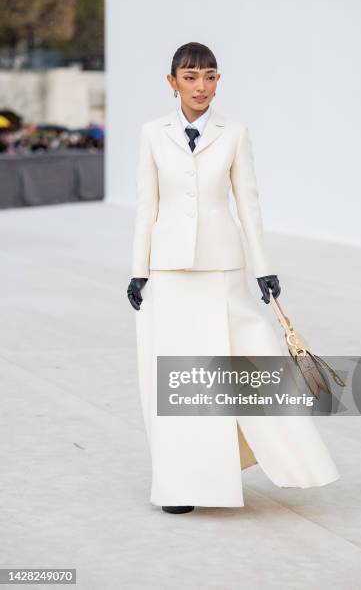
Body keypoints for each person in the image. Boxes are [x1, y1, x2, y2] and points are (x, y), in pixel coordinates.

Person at [127, 42, 340, 514]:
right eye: (190, 77)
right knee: (178, 382)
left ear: (218, 81)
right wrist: (138, 272)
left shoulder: (235, 133)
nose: (201, 86)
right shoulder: (151, 134)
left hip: (224, 269)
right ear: (172, 82)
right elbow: (148, 206)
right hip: (169, 272)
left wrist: (264, 268)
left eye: (210, 76)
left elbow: (250, 205)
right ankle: (181, 486)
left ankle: (286, 458)